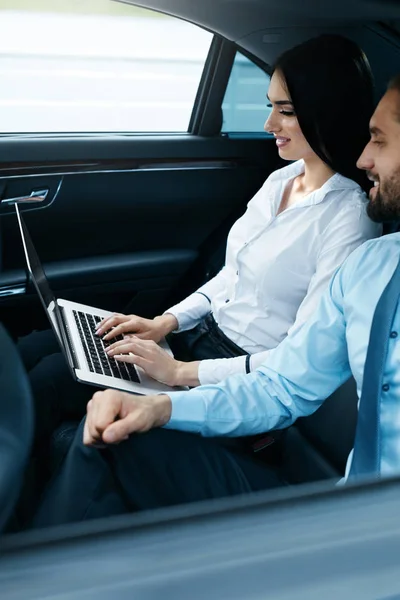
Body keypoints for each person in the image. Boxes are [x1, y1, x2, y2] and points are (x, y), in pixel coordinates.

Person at [31, 74, 400, 529]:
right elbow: (283, 382)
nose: (363, 157)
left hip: (358, 529)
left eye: (379, 141)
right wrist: (160, 399)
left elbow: (281, 364)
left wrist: (183, 376)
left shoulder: (348, 223)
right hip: (347, 507)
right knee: (72, 387)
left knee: (85, 423)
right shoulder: (372, 266)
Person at [19, 34, 379, 446]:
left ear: (326, 112)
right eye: (270, 107)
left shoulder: (349, 220)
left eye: (287, 111)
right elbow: (232, 276)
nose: (269, 125)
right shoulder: (281, 180)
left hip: (238, 373)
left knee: (49, 382)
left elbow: (296, 359)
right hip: (194, 340)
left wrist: (177, 373)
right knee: (43, 349)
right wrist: (163, 324)